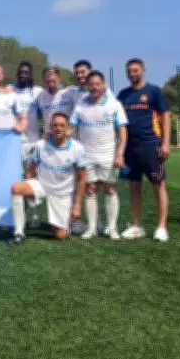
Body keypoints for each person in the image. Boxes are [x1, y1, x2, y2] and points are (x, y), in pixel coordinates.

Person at [8, 113, 88, 245]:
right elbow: (31, 170)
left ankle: (62, 223)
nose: (58, 128)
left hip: (62, 194)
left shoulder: (77, 148)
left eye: (62, 125)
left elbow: (82, 179)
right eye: (55, 125)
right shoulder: (41, 145)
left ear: (67, 128)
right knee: (16, 188)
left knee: (60, 235)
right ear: (50, 127)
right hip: (42, 186)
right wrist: (29, 190)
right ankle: (19, 233)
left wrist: (77, 205)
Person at [69, 71, 128, 240]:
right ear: (87, 86)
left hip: (108, 155)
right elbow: (71, 128)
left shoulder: (114, 104)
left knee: (109, 189)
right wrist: (56, 137)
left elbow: (122, 132)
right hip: (86, 155)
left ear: (103, 85)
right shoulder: (80, 105)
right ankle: (92, 228)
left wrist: (120, 153)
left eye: (97, 84)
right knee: (90, 189)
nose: (94, 87)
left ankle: (112, 228)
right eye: (91, 84)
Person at [118, 59, 171, 242]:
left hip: (150, 145)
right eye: (129, 71)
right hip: (130, 148)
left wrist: (165, 143)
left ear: (143, 71)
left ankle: (162, 227)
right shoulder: (123, 95)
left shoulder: (153, 91)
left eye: (136, 70)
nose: (133, 74)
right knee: (134, 186)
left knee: (158, 185)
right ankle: (137, 225)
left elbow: (165, 117)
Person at [11, 62, 43, 167]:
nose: (23, 74)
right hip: (15, 140)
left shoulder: (38, 91)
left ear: (31, 74)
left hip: (33, 140)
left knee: (33, 175)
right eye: (20, 72)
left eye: (26, 72)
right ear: (17, 74)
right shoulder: (9, 91)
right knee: (16, 174)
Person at [35, 67, 75, 137]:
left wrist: (72, 128)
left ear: (59, 79)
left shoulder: (69, 93)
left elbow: (83, 110)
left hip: (67, 139)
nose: (50, 83)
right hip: (49, 139)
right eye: (47, 80)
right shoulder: (40, 95)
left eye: (53, 80)